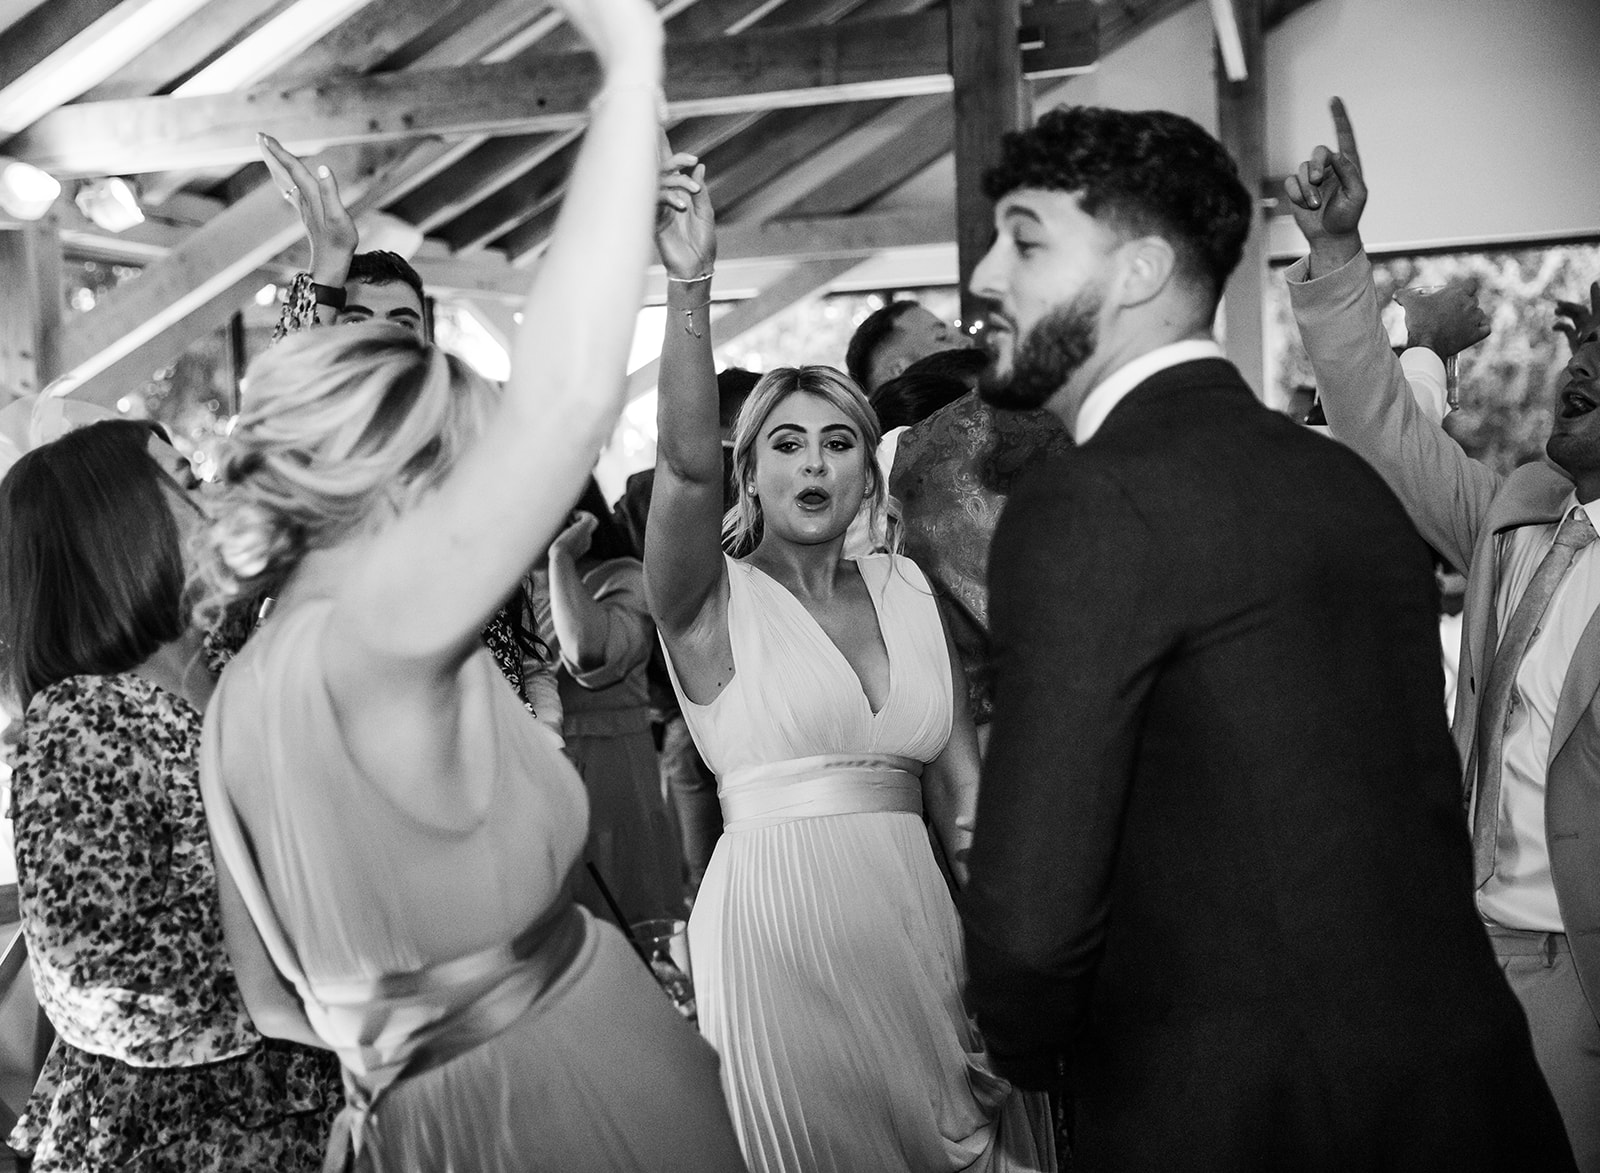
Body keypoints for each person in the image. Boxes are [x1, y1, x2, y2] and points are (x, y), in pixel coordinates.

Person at [961, 103, 1573, 1171]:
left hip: (1246, 1120)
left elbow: (1030, 926)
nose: (980, 277)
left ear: (1142, 270)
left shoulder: (1089, 503)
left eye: (1022, 240)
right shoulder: (1333, 481)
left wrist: (1028, 1045)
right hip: (1462, 1098)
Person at [191, 2, 748, 1167]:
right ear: (391, 477)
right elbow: (564, 394)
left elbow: (272, 996)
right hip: (563, 1097)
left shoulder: (247, 689)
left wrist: (328, 274)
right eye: (450, 455)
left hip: (417, 1113)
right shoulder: (377, 636)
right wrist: (631, 67)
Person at [646, 151, 1053, 1173]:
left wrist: (1006, 969)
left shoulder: (910, 586)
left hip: (920, 926)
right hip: (775, 938)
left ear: (869, 467)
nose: (813, 460)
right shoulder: (706, 603)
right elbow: (685, 466)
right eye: (784, 443)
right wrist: (689, 287)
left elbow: (962, 794)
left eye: (837, 440)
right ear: (750, 470)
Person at [1285, 97, 1600, 1170]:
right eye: (1582, 340)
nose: (1579, 367)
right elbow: (1374, 432)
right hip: (1470, 940)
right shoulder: (1515, 516)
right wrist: (1337, 252)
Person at [0, 420, 341, 1172]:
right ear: (117, 531)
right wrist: (311, 976)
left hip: (327, 1084)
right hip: (196, 1131)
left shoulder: (240, 657)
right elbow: (92, 975)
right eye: (188, 479)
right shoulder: (85, 719)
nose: (216, 493)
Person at [259, 136, 561, 736]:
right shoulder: (319, 474)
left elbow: (517, 635)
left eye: (401, 322)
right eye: (355, 322)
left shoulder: (472, 465)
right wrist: (328, 263)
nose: (382, 340)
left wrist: (542, 726)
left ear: (427, 341)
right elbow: (280, 420)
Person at [613, 367, 758, 891]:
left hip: (681, 702)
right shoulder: (761, 478)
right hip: (769, 699)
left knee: (708, 872)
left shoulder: (643, 495)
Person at [544, 478, 683, 925]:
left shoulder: (621, 577)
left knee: (626, 925)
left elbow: (589, 653)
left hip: (611, 780)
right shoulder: (501, 591)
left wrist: (560, 559)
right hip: (537, 780)